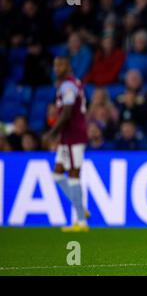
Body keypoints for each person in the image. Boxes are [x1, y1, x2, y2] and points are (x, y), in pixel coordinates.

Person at [43, 56, 90, 232]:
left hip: (74, 136)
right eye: (55, 65)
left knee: (74, 174)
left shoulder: (68, 86)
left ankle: (81, 222)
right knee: (57, 174)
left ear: (68, 66)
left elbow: (67, 113)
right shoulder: (71, 83)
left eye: (60, 64)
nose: (56, 68)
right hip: (67, 137)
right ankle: (81, 208)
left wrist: (51, 133)